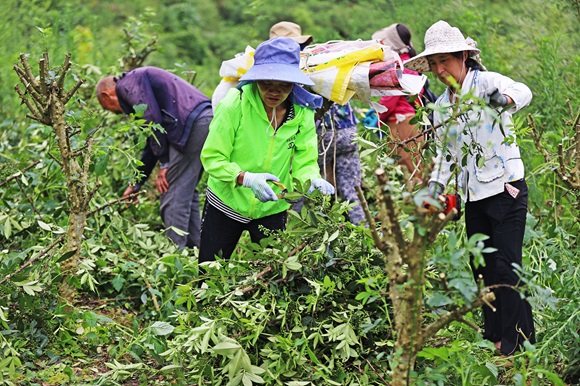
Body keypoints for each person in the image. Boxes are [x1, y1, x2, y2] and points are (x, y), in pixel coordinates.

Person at [404, 20, 535, 355]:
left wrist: (501, 101)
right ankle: (493, 337)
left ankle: (517, 344)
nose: (439, 69)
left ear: (463, 56)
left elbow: (523, 92)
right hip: (473, 196)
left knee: (507, 267)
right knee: (483, 269)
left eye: (444, 61)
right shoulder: (443, 107)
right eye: (433, 64)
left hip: (506, 189)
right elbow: (448, 156)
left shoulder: (487, 83)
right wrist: (434, 191)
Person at [199, 37, 334, 263]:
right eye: (267, 84)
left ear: (293, 83)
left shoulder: (302, 112)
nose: (274, 91)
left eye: (283, 85)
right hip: (226, 201)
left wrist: (311, 178)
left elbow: (305, 160)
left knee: (271, 276)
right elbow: (212, 156)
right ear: (257, 78)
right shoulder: (236, 103)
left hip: (272, 206)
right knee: (210, 272)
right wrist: (245, 178)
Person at [96, 66, 212, 248]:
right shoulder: (137, 83)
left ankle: (175, 259)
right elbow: (152, 139)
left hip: (192, 125)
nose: (116, 113)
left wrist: (165, 163)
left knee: (171, 194)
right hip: (205, 120)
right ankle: (198, 253)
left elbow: (151, 121)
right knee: (185, 192)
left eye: (109, 109)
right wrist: (136, 184)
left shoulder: (127, 85)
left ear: (106, 95)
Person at [270, 21, 365, 224]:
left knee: (298, 187)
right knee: (352, 192)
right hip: (348, 130)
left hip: (321, 134)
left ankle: (288, 234)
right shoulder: (321, 62)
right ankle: (366, 234)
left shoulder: (286, 68)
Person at [372, 23, 428, 176]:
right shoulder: (411, 63)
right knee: (418, 170)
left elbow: (390, 100)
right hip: (413, 121)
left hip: (400, 124)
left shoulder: (398, 66)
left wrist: (378, 118)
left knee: (403, 173)